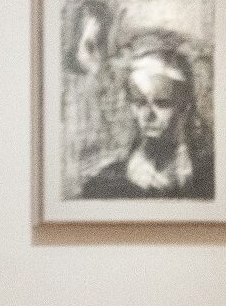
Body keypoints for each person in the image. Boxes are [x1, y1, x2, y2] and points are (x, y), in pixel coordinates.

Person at [77, 31, 213, 200]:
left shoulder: (208, 177)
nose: (148, 115)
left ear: (184, 107)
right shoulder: (104, 184)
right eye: (140, 102)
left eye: (162, 103)